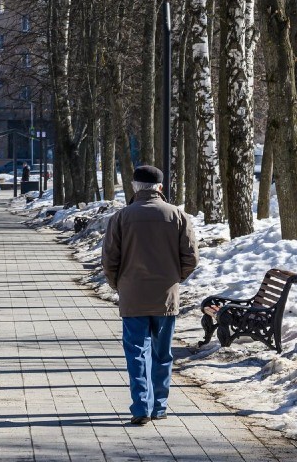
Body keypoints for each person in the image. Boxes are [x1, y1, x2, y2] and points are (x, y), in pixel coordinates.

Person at [102, 164, 197, 426]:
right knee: (162, 353)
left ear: (134, 187)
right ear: (160, 188)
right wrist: (175, 279)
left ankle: (141, 407)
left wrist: (119, 284)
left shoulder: (121, 217)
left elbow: (110, 259)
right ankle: (160, 406)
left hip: (132, 295)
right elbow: (191, 257)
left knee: (136, 353)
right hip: (165, 296)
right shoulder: (177, 215)